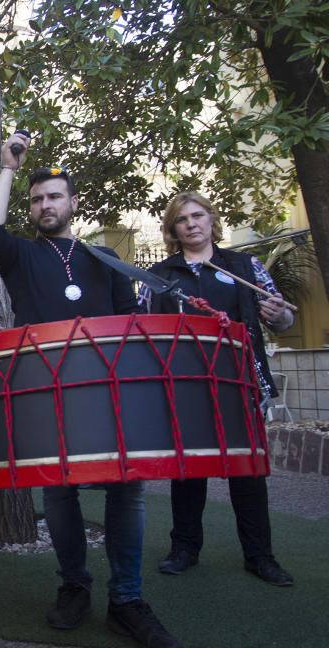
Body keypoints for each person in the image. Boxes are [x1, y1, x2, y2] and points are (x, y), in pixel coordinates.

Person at [0, 132, 181, 648]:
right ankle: (73, 587)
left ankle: (127, 601)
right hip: (47, 393)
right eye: (38, 199)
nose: (46, 205)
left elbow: (130, 325)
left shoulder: (104, 258)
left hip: (109, 395)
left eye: (54, 197)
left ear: (72, 203)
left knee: (126, 491)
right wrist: (9, 169)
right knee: (59, 492)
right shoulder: (19, 255)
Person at [140, 191, 294, 587]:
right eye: (182, 219)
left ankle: (260, 556)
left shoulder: (245, 265)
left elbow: (283, 318)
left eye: (198, 215)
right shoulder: (160, 276)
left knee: (247, 472)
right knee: (189, 471)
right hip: (185, 387)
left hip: (240, 381)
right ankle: (185, 549)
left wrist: (281, 314)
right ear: (173, 229)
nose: (191, 224)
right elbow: (142, 329)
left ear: (211, 219)